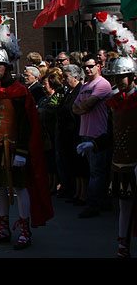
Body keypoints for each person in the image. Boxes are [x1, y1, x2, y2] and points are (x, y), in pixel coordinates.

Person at [0, 12, 53, 250]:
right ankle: (2, 227)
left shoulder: (20, 91)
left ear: (6, 67)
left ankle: (24, 227)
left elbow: (26, 123)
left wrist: (21, 151)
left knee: (20, 188)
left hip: (14, 148)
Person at [86, 13, 137, 256]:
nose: (118, 81)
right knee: (124, 205)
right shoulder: (115, 101)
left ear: (132, 77)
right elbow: (111, 133)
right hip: (122, 161)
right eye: (116, 77)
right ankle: (122, 244)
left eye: (122, 78)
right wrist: (94, 145)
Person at [73, 53, 113, 219]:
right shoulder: (85, 85)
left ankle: (93, 204)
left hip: (98, 134)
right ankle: (101, 201)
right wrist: (84, 106)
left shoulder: (102, 84)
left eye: (91, 66)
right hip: (85, 133)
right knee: (93, 171)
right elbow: (75, 108)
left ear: (99, 66)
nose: (88, 69)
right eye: (85, 67)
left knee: (97, 172)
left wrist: (84, 106)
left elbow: (87, 105)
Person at [55, 64, 85, 202]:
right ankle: (73, 190)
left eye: (66, 77)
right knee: (70, 164)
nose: (64, 80)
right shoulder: (68, 92)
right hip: (66, 133)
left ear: (76, 77)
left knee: (79, 166)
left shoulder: (80, 91)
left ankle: (81, 193)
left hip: (76, 132)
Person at [36, 70, 64, 195]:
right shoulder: (42, 99)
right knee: (47, 160)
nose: (43, 86)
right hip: (43, 134)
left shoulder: (56, 97)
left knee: (54, 160)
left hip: (53, 132)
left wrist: (41, 111)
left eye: (45, 84)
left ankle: (56, 184)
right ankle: (49, 182)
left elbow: (48, 113)